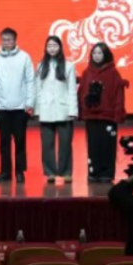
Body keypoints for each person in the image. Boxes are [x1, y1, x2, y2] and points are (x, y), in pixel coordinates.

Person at [0, 28, 36, 184]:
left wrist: (30, 103)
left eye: (9, 39)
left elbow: (30, 81)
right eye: (4, 39)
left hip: (20, 108)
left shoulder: (24, 57)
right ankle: (5, 172)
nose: (6, 42)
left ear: (15, 40)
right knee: (4, 142)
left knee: (20, 141)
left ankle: (20, 172)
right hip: (3, 107)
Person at [78, 41, 127, 183]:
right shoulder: (87, 73)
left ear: (105, 55)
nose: (97, 56)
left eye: (100, 53)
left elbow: (119, 94)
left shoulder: (113, 73)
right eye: (94, 53)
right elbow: (81, 93)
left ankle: (107, 173)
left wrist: (118, 113)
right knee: (93, 145)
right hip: (91, 117)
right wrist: (81, 111)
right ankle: (94, 172)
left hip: (108, 117)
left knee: (108, 145)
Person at [35, 35, 78, 183]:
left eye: (55, 45)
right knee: (47, 144)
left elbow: (72, 90)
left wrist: (73, 111)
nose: (52, 48)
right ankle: (50, 172)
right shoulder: (41, 66)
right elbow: (38, 90)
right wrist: (38, 110)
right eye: (49, 46)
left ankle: (66, 172)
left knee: (65, 143)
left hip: (63, 110)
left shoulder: (68, 66)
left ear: (60, 47)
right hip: (46, 109)